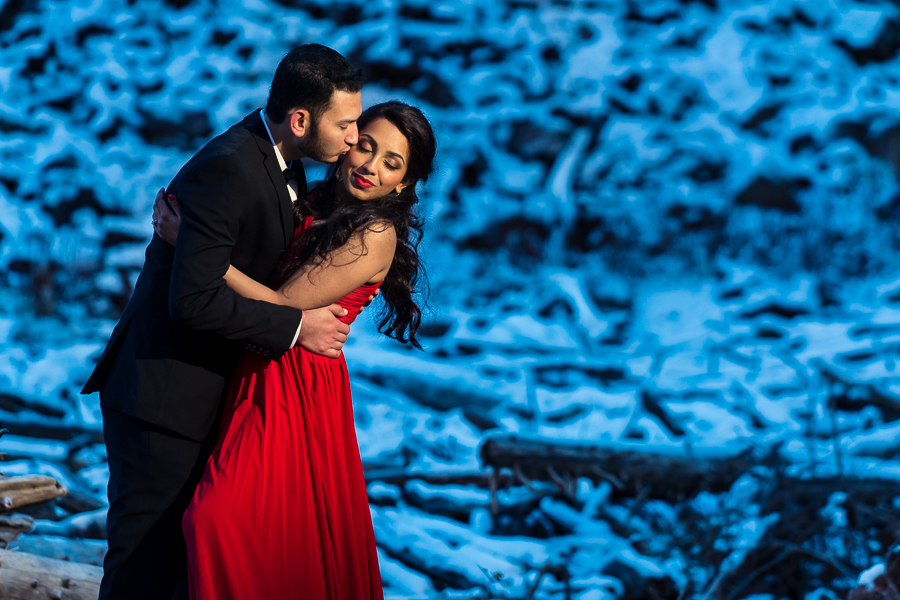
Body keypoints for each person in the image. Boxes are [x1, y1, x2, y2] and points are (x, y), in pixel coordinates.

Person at [80, 45, 364, 599]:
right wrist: (295, 328)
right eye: (347, 124)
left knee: (185, 573)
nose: (354, 138)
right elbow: (193, 299)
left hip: (210, 398)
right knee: (142, 571)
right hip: (162, 399)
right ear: (301, 120)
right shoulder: (228, 167)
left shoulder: (286, 163)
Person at [153, 101, 435, 599]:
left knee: (214, 520)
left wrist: (196, 249)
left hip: (297, 386)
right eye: (366, 146)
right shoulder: (318, 202)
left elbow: (285, 304)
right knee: (272, 540)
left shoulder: (374, 232)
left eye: (391, 162)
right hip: (260, 364)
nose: (370, 166)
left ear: (405, 184)